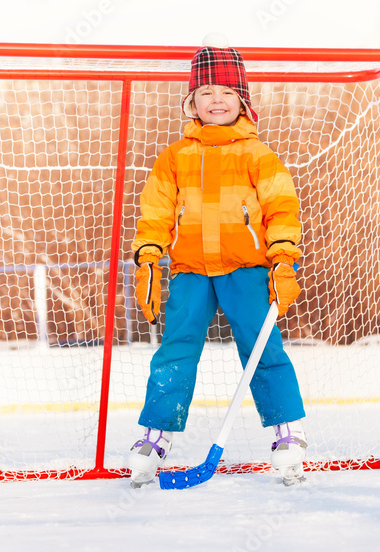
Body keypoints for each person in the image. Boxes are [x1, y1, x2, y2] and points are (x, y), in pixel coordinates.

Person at [126, 36, 308, 486]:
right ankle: (156, 436)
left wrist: (283, 259)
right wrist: (148, 258)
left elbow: (282, 208)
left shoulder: (257, 154)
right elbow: (155, 212)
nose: (217, 100)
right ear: (192, 103)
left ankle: (287, 434)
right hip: (190, 271)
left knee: (262, 348)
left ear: (242, 100)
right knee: (176, 349)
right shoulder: (174, 158)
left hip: (246, 268)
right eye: (206, 92)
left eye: (227, 92)